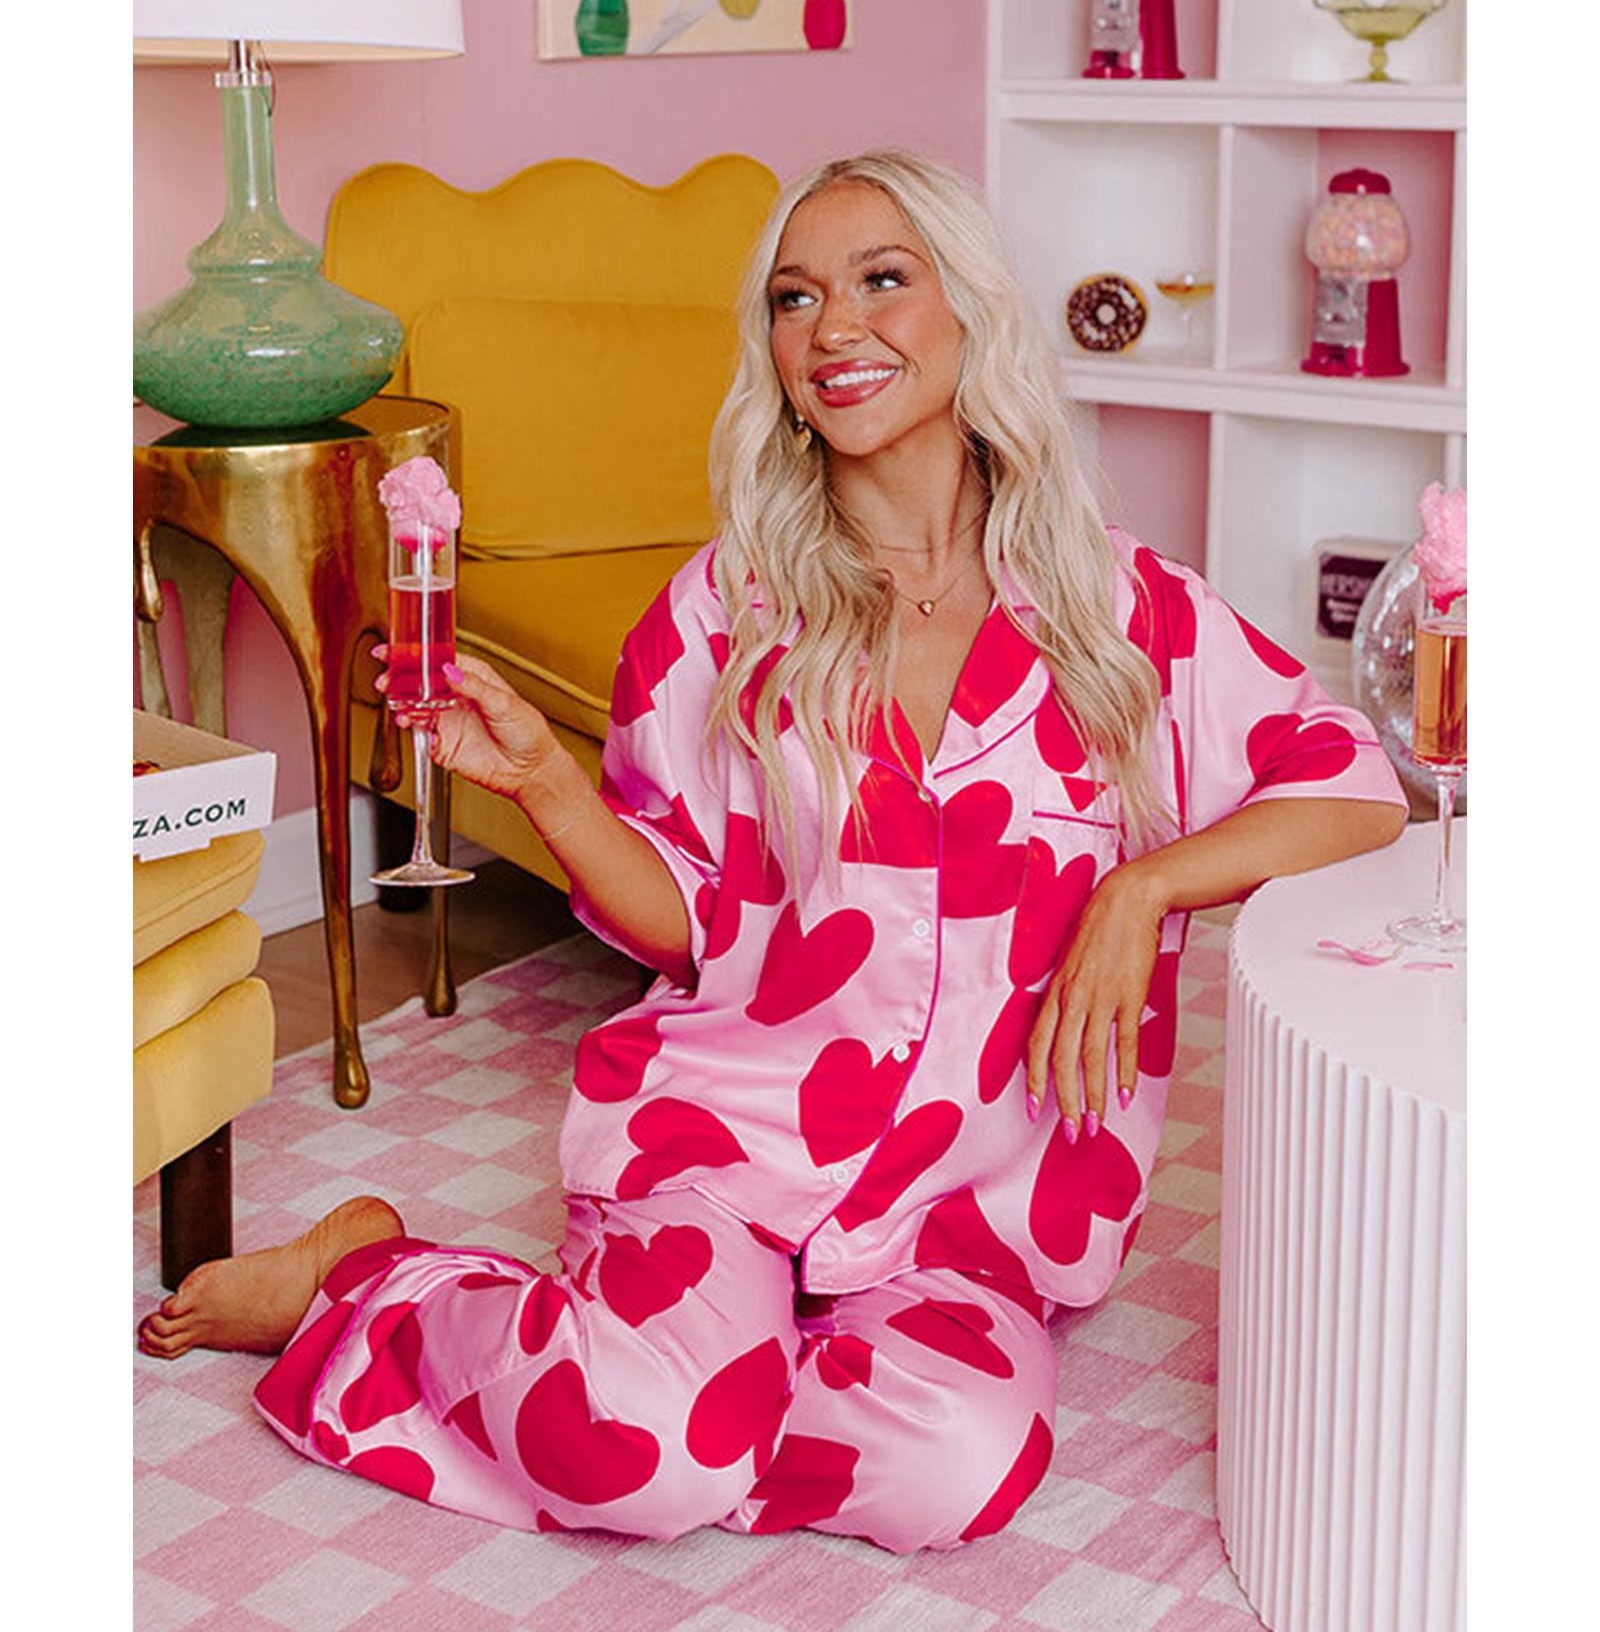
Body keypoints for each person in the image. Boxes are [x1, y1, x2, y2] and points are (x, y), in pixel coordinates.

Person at [139, 149, 1406, 1553]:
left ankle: (681, 1389)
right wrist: (548, 779)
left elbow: (1354, 784)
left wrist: (1141, 885)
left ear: (971, 310)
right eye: (795, 300)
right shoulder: (718, 616)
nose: (834, 327)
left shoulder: (1119, 611)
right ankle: (374, 1288)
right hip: (730, 1146)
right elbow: (681, 923)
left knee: (961, 1469)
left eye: (882, 280)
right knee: (645, 1461)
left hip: (961, 1211)